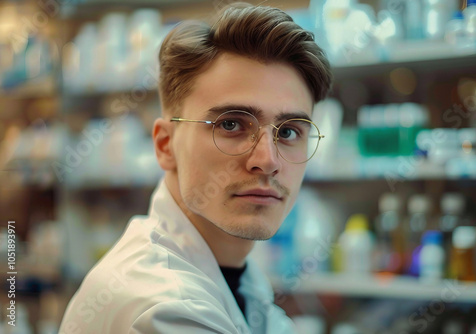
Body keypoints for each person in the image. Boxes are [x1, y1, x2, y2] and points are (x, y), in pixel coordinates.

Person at [60, 3, 332, 333]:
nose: (268, 160)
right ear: (165, 145)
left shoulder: (234, 272)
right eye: (231, 125)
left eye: (288, 132)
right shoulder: (168, 309)